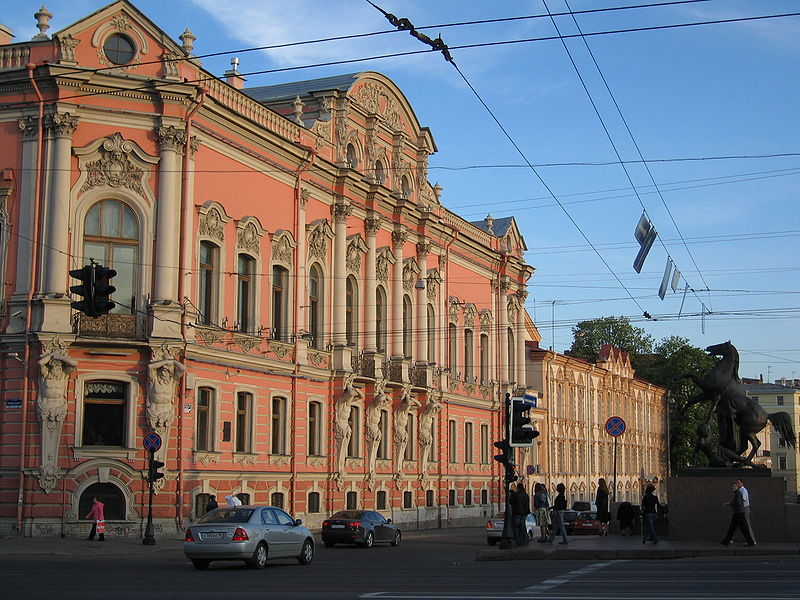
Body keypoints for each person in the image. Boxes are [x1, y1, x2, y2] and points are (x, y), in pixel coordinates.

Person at [720, 479, 756, 546]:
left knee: (742, 528)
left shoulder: (739, 493)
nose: (732, 488)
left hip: (739, 513)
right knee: (733, 528)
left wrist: (730, 503)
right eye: (732, 486)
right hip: (737, 512)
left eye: (734, 486)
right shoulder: (737, 493)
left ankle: (750, 542)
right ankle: (726, 540)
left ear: (737, 486)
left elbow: (739, 503)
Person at [513, 482, 531, 546]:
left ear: (518, 487)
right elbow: (527, 504)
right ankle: (524, 540)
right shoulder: (526, 495)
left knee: (516, 527)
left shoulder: (516, 494)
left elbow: (511, 502)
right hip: (524, 513)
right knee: (523, 526)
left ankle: (518, 541)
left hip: (517, 512)